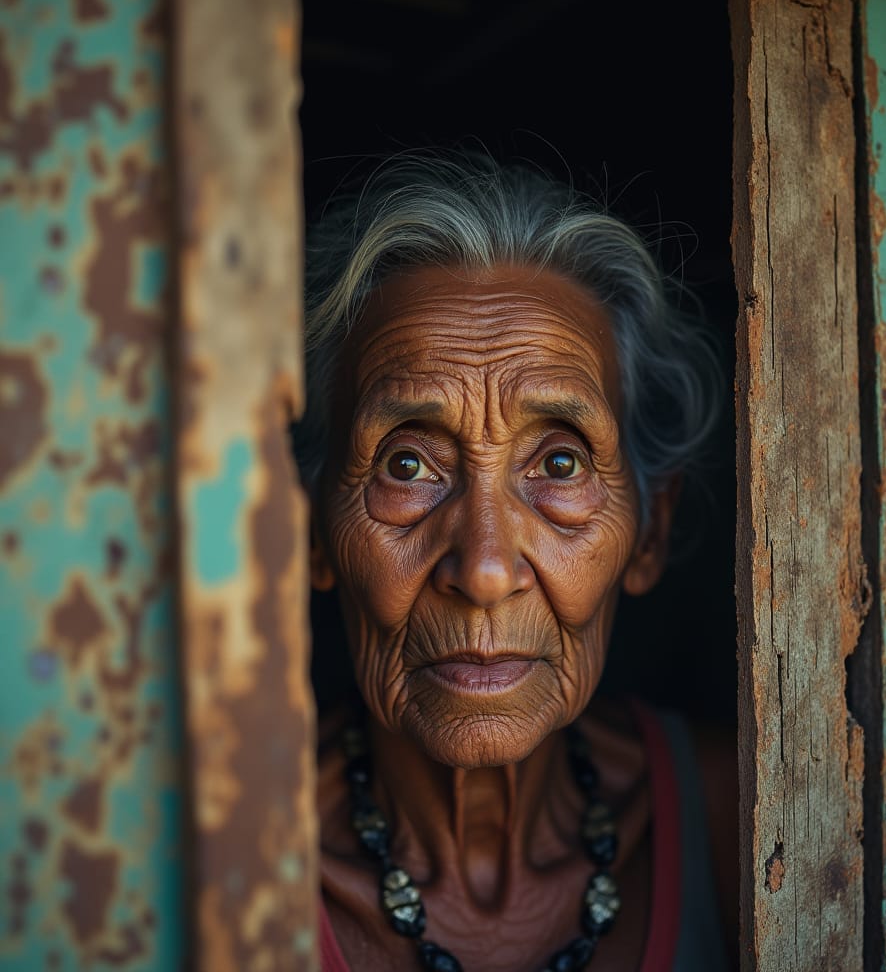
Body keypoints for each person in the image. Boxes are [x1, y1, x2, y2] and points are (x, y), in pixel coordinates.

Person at [293, 153, 738, 971]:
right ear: (313, 532)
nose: (487, 570)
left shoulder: (746, 818)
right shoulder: (216, 862)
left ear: (648, 532)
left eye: (560, 466)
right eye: (406, 465)